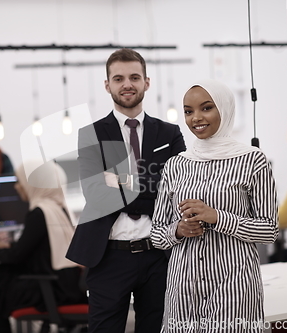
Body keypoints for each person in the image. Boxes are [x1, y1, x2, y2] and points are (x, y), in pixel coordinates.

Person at [66, 48, 186, 333]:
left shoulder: (169, 134)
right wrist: (150, 186)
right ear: (108, 85)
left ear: (147, 81)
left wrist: (121, 182)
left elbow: (177, 189)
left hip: (159, 253)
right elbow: (95, 193)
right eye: (118, 78)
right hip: (108, 256)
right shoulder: (91, 134)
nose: (127, 84)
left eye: (134, 77)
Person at [150, 79, 278, 333]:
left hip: (234, 285)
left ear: (225, 108)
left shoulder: (253, 160)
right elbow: (156, 234)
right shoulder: (176, 165)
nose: (196, 118)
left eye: (206, 108)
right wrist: (178, 230)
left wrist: (217, 217)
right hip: (183, 287)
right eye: (188, 111)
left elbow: (269, 230)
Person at [0, 162, 86, 333]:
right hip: (66, 284)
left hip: (51, 288)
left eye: (19, 181)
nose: (16, 187)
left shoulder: (39, 213)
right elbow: (36, 247)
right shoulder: (57, 208)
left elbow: (16, 256)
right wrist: (5, 245)